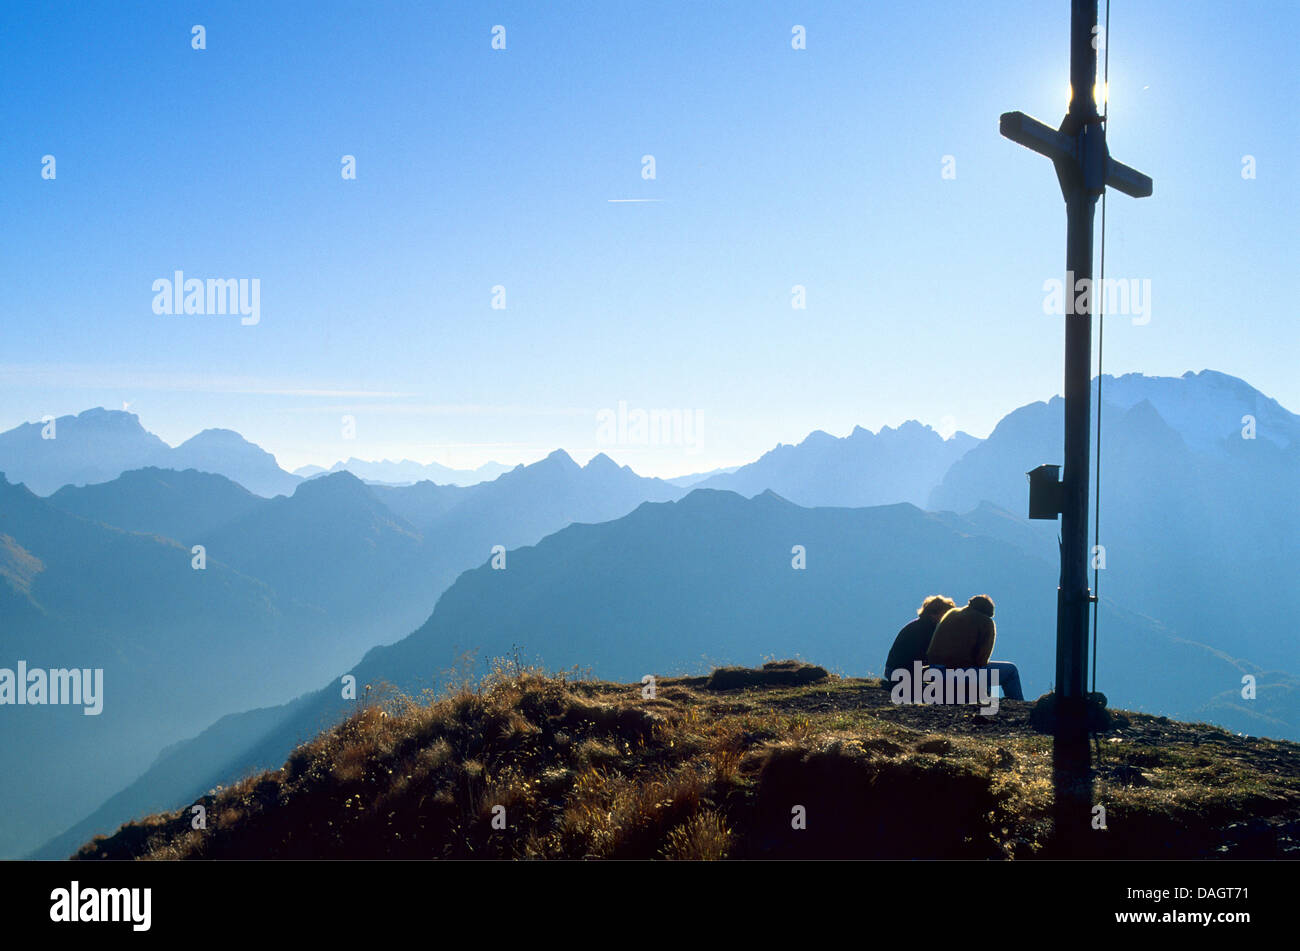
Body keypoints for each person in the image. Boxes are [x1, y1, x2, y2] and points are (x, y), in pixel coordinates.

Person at [925, 594, 1024, 701]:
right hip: (959, 674)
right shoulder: (986, 622)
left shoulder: (952, 613)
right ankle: (1019, 705)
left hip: (935, 670)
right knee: (1011, 671)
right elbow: (982, 660)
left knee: (983, 673)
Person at [884, 595, 956, 681]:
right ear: (933, 614)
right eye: (945, 615)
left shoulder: (921, 626)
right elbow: (924, 656)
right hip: (900, 672)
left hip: (894, 670)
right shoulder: (923, 630)